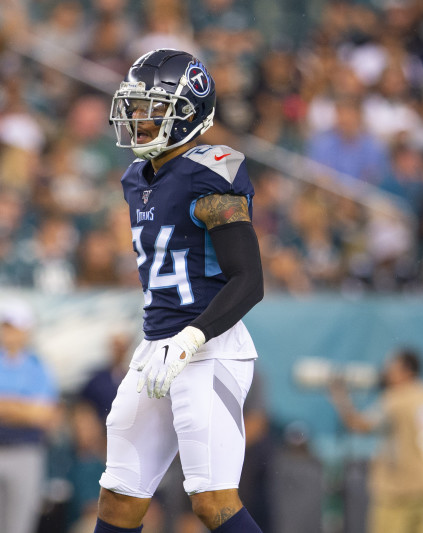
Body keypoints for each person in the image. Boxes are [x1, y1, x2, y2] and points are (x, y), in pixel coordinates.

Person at [96, 49, 264, 533]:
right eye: (134, 105)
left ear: (187, 111)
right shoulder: (136, 177)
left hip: (208, 349)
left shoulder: (211, 173)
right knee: (118, 498)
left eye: (151, 107)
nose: (137, 118)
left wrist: (191, 338)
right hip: (155, 348)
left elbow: (249, 281)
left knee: (212, 502)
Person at [329, 348, 423, 533]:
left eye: (391, 367)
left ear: (407, 370)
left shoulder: (396, 399)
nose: (386, 373)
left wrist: (339, 396)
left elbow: (358, 424)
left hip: (398, 492)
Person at [0, 298, 59, 533]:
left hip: (26, 452)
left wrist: (7, 406)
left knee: (19, 526)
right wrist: (25, 407)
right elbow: (34, 411)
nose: (10, 333)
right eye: (7, 327)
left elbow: (44, 415)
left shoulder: (38, 366)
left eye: (14, 327)